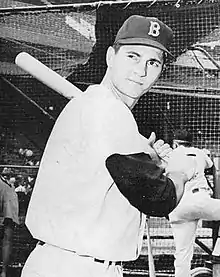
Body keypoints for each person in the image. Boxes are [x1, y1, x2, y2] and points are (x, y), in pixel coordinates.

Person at [21, 15, 197, 277]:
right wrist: (181, 169)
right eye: (132, 56)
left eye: (153, 62)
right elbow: (159, 199)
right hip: (79, 267)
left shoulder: (92, 103)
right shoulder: (111, 112)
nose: (141, 70)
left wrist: (150, 161)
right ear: (110, 57)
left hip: (58, 260)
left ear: (160, 71)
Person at [167, 128, 217, 277]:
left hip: (178, 205)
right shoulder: (199, 152)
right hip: (200, 199)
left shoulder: (171, 154)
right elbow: (209, 165)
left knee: (182, 255)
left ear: (175, 143)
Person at [0, 174, 19, 277]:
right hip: (8, 192)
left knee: (8, 236)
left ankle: (4, 271)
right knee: (7, 237)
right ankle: (3, 271)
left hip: (8, 194)